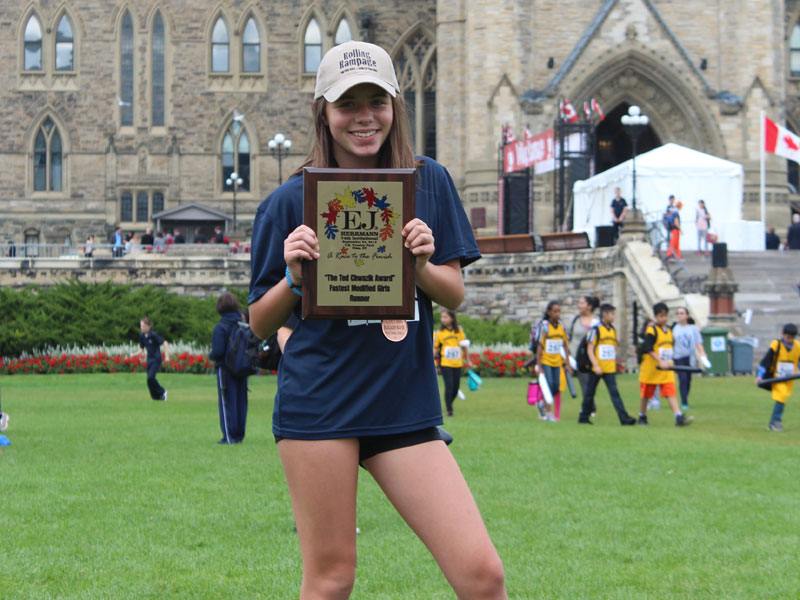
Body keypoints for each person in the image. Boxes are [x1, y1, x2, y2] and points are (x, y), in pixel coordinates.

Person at [247, 41, 506, 598]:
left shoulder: (428, 180)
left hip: (402, 403)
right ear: (325, 112)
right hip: (321, 403)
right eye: (347, 104)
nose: (364, 117)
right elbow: (260, 324)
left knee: (483, 576)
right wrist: (293, 277)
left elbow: (455, 293)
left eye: (376, 101)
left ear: (395, 104)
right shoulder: (290, 201)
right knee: (332, 579)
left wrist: (420, 266)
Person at [578, 303, 636, 425]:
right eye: (612, 314)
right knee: (590, 393)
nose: (614, 316)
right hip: (597, 367)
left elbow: (613, 347)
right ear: (604, 314)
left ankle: (624, 418)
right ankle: (584, 416)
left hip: (609, 368)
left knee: (615, 393)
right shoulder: (596, 330)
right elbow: (590, 349)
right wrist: (596, 365)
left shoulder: (612, 330)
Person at [638, 303, 692, 426]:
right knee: (646, 393)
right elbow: (648, 348)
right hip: (651, 368)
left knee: (670, 391)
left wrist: (669, 362)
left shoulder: (668, 331)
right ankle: (642, 415)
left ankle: (678, 416)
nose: (664, 318)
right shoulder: (651, 331)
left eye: (665, 316)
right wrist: (659, 361)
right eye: (661, 316)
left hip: (666, 369)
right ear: (656, 316)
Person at [209, 292, 249, 444]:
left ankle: (229, 435)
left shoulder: (221, 327)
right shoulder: (243, 325)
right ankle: (239, 434)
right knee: (240, 401)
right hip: (242, 367)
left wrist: (211, 355)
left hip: (226, 369)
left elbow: (218, 352)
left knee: (227, 402)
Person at [756, 323, 799, 432]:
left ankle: (772, 423)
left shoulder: (798, 347)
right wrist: (760, 376)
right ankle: (776, 421)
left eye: (792, 338)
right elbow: (766, 361)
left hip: (789, 378)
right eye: (788, 337)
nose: (790, 340)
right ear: (783, 335)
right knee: (782, 395)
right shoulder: (776, 345)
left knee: (783, 397)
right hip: (777, 378)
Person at [534, 300, 572, 422]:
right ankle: (548, 412)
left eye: (559, 311)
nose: (557, 314)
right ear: (549, 312)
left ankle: (541, 404)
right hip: (546, 361)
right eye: (555, 311)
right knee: (549, 384)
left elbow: (565, 345)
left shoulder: (561, 327)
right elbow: (539, 347)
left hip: (557, 361)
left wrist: (567, 363)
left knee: (556, 386)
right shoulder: (544, 326)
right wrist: (539, 365)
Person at [672, 307, 709, 411]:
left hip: (689, 357)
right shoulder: (675, 328)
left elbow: (698, 342)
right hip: (678, 356)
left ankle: (685, 397)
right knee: (682, 378)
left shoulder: (692, 328)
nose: (679, 315)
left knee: (688, 379)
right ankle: (684, 402)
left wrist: (702, 353)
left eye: (682, 313)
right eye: (678, 313)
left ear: (687, 315)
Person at [433, 310, 469, 417]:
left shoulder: (459, 331)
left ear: (452, 319)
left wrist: (468, 360)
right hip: (445, 363)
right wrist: (432, 361)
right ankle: (449, 410)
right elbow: (435, 348)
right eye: (442, 317)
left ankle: (449, 402)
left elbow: (464, 346)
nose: (442, 319)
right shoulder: (439, 332)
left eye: (445, 317)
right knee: (449, 386)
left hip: (457, 363)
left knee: (455, 387)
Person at [568, 295, 600, 414]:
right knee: (584, 382)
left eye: (582, 303)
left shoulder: (596, 321)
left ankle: (589, 406)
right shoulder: (576, 319)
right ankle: (589, 407)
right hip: (576, 357)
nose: (579, 305)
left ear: (589, 306)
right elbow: (570, 336)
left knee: (589, 382)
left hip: (591, 356)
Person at [130, 316, 168, 401]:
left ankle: (162, 392)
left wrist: (167, 356)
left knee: (150, 378)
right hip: (149, 359)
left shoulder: (153, 335)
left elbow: (165, 343)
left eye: (143, 326)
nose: (141, 328)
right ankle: (156, 398)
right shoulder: (142, 336)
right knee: (149, 381)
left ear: (148, 326)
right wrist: (134, 354)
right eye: (140, 326)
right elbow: (141, 349)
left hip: (156, 359)